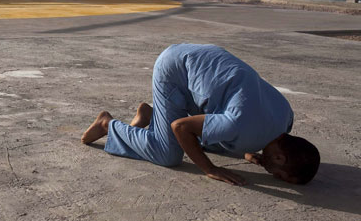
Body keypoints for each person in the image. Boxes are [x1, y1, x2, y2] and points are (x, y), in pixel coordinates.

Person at [81, 44, 320, 185]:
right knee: (169, 154)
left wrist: (246, 153)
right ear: (280, 159)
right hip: (175, 69)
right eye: (279, 175)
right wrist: (209, 168)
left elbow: (246, 109)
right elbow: (180, 127)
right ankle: (107, 124)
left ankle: (152, 115)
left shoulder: (285, 117)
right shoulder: (238, 126)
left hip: (203, 61)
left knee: (219, 139)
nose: (273, 175)